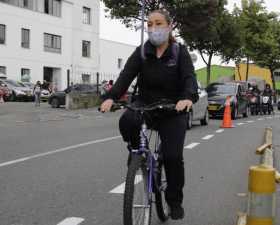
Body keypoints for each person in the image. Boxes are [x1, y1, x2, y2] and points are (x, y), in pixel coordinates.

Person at [100, 9, 198, 220]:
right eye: (150, 24)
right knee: (127, 120)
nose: (154, 28)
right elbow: (125, 76)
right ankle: (137, 151)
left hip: (174, 109)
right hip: (146, 105)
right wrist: (110, 97)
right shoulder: (142, 52)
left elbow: (190, 80)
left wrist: (187, 97)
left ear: (169, 26)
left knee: (172, 157)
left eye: (158, 23)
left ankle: (174, 201)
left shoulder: (179, 52)